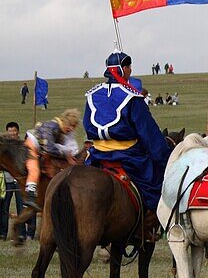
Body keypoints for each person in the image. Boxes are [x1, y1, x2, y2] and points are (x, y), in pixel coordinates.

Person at [83, 51, 171, 213]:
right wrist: (164, 159)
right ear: (122, 69)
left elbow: (87, 125)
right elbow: (148, 133)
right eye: (128, 66)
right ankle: (151, 224)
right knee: (156, 187)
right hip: (128, 157)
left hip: (97, 156)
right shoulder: (132, 97)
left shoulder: (92, 94)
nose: (130, 69)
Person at [21, 108, 81, 209]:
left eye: (73, 127)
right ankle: (30, 196)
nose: (71, 129)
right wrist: (66, 154)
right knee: (34, 169)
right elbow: (49, 148)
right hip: (32, 145)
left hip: (42, 149)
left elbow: (72, 147)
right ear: (65, 121)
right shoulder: (51, 126)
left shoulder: (62, 131)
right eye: (70, 125)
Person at [2, 121, 30, 243]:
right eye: (10, 131)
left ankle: (22, 234)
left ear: (18, 131)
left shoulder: (21, 145)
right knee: (4, 208)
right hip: (7, 181)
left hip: (19, 181)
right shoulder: (5, 147)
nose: (12, 133)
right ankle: (2, 234)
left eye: (14, 130)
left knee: (21, 208)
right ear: (7, 132)